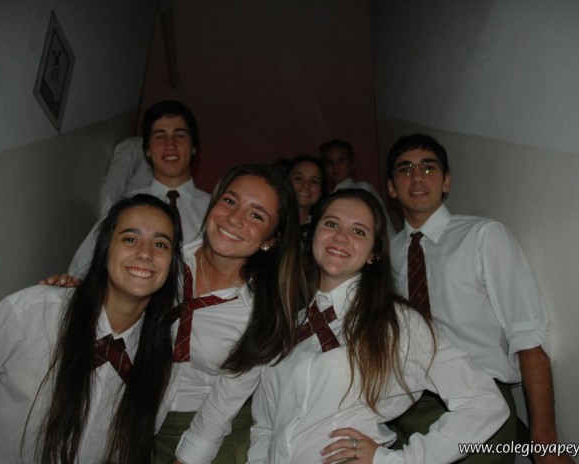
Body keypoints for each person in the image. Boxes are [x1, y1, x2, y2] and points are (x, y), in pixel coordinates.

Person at [248, 189, 508, 463]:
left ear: (373, 252)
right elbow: (265, 426)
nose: (341, 237)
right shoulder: (287, 319)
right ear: (313, 235)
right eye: (332, 224)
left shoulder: (399, 324)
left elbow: (484, 403)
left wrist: (396, 461)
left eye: (358, 231)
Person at [0, 194, 182, 463]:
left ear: (171, 262)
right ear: (105, 249)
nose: (145, 253)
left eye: (161, 244)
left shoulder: (163, 360)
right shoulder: (32, 311)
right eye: (130, 239)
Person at [385, 134, 571, 463]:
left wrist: (544, 441)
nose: (417, 177)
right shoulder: (389, 255)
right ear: (390, 187)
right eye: (405, 169)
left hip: (481, 400)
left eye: (428, 168)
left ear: (446, 181)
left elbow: (527, 333)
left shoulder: (483, 236)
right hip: (405, 405)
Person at [154, 163, 304, 464]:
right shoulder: (164, 261)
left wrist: (187, 459)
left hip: (211, 428)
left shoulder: (263, 313)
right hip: (139, 415)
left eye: (256, 215)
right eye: (230, 201)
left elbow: (221, 406)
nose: (235, 218)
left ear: (270, 240)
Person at [64, 100, 210, 283]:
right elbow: (80, 271)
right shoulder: (125, 207)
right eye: (160, 136)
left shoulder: (215, 212)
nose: (170, 145)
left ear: (194, 147)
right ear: (147, 150)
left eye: (179, 136)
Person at [320, 139, 396, 238]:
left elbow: (383, 223)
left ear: (352, 163)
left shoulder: (362, 188)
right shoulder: (327, 197)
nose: (335, 166)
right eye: (330, 162)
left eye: (342, 160)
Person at [285, 154, 327, 232]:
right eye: (298, 178)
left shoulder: (322, 230)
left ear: (321, 190)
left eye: (314, 181)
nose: (306, 186)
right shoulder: (271, 224)